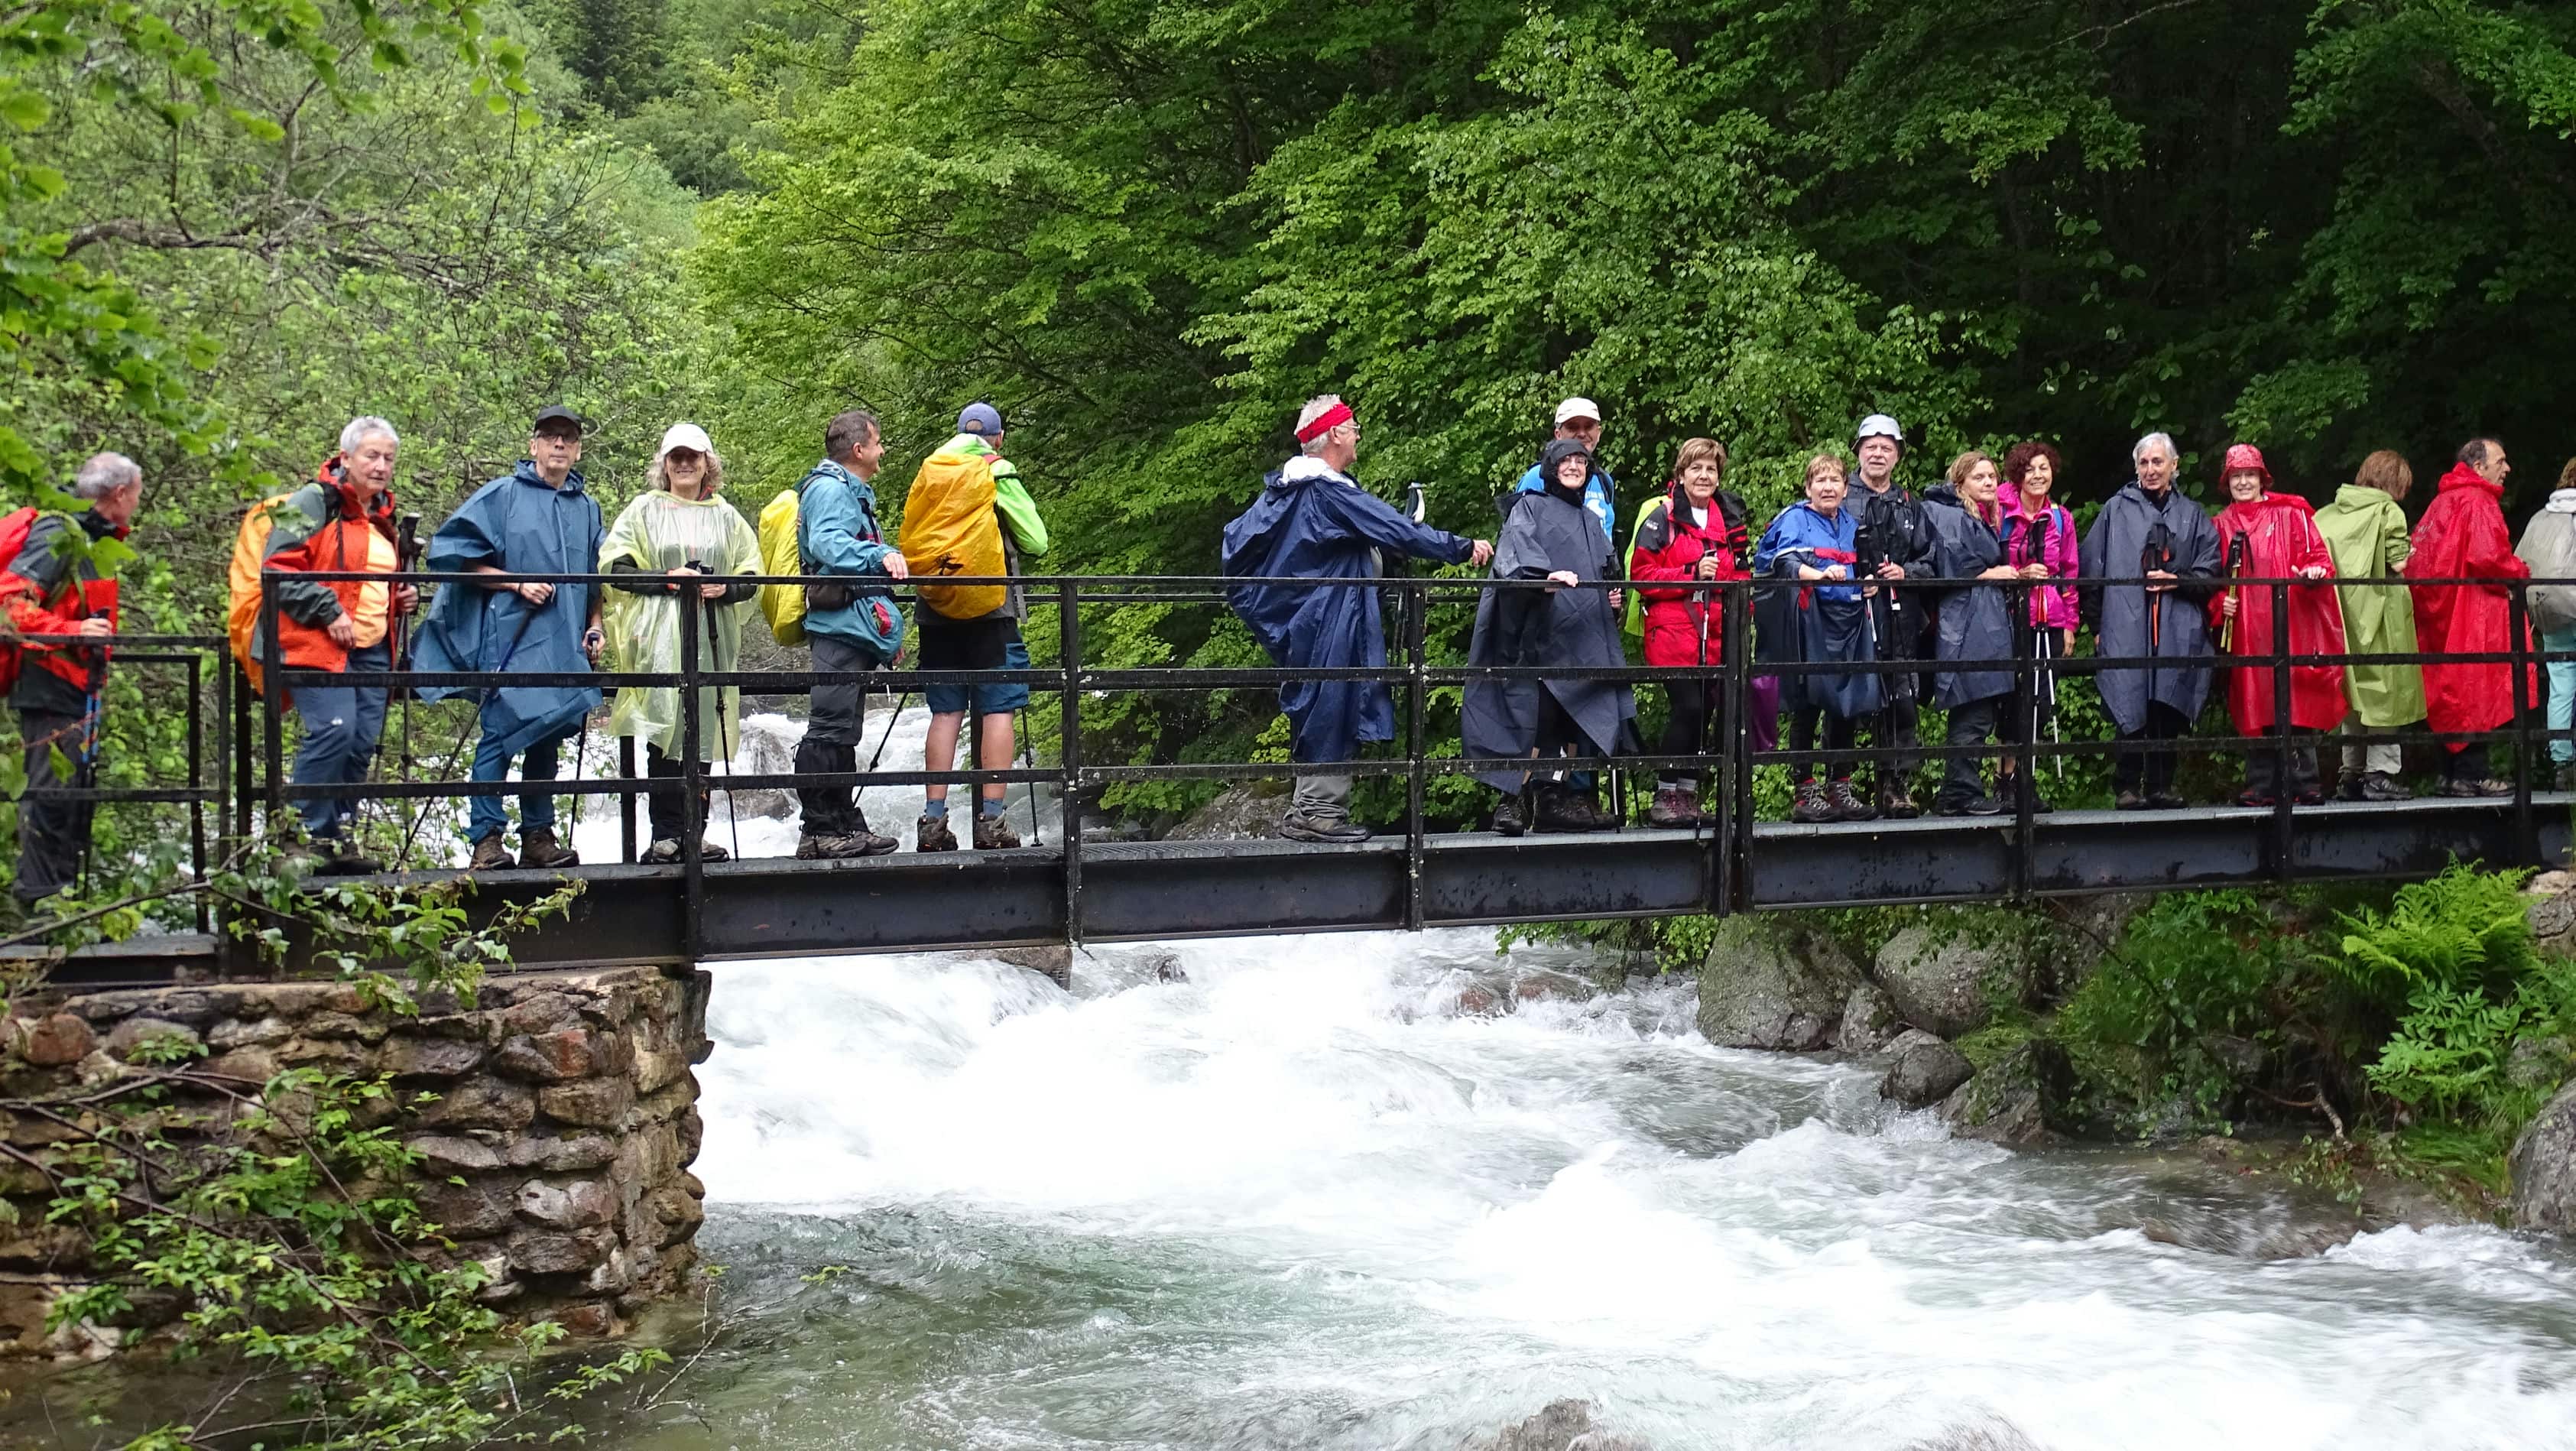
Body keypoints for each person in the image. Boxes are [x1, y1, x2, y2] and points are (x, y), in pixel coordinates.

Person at [1225, 394, 1491, 842]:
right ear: (1333, 436)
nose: (1357, 434)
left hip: (1305, 616)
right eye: (1352, 427)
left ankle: (1311, 808)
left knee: (1320, 701)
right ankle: (1317, 812)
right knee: (1333, 701)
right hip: (1330, 614)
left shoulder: (1286, 493)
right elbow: (1395, 526)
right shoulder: (1326, 491)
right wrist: (1460, 547)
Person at [412, 405, 605, 871]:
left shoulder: (587, 508)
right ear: (533, 444)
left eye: (568, 438)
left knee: (546, 737)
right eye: (550, 436)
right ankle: (486, 839)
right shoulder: (502, 496)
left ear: (578, 449)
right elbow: (454, 557)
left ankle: (538, 836)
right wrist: (516, 582)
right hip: (512, 640)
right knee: (499, 734)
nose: (559, 444)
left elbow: (595, 579)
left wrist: (595, 626)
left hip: (564, 647)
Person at [254, 417, 417, 873]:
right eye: (371, 456)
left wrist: (403, 594)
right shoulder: (315, 501)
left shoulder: (381, 515)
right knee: (334, 729)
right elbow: (279, 568)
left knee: (362, 741)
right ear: (345, 459)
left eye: (388, 458)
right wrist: (328, 608)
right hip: (314, 643)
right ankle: (300, 839)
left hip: (371, 646)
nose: (381, 465)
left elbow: (375, 581)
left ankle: (336, 841)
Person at [600, 424, 761, 863]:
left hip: (710, 635)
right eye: (677, 457)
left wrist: (723, 588)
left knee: (703, 728)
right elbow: (616, 567)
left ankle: (696, 832)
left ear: (709, 462)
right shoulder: (643, 510)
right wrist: (666, 581)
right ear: (665, 464)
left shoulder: (727, 516)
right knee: (665, 728)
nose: (685, 463)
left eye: (694, 456)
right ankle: (666, 835)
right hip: (658, 637)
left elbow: (752, 574)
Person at [1465, 437, 1634, 833]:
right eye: (1567, 460)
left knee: (1571, 717)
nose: (1575, 466)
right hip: (1537, 636)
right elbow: (1515, 557)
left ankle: (1553, 797)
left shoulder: (1593, 521)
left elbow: (1608, 571)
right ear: (1552, 466)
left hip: (1582, 636)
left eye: (1582, 460)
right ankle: (1513, 801)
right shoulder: (1530, 506)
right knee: (1534, 715)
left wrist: (1613, 596)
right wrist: (1544, 577)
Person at [3, 453, 140, 912]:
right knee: (51, 796)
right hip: (48, 681)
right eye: (136, 495)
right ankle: (38, 906)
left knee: (73, 800)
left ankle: (60, 905)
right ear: (120, 494)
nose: (137, 505)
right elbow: (10, 605)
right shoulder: (59, 532)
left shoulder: (92, 538)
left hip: (78, 685)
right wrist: (72, 632)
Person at [911, 403, 1048, 852]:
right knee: (998, 710)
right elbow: (1036, 540)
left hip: (936, 608)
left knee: (945, 712)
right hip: (992, 612)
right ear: (999, 437)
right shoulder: (996, 470)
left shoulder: (932, 470)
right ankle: (991, 822)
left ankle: (932, 822)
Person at [2080, 431, 2221, 810]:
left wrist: (2177, 581)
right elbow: (2090, 571)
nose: (2151, 470)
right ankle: (2127, 787)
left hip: (2176, 626)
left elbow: (2210, 573)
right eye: (2144, 463)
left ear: (2174, 466)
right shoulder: (2115, 509)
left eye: (2158, 462)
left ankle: (2161, 785)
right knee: (2130, 700)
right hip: (2126, 625)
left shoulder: (2192, 515)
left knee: (2167, 703)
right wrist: (2096, 628)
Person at [790, 410, 908, 858]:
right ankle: (820, 829)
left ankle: (839, 824)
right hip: (836, 627)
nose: (882, 452)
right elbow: (828, 545)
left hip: (851, 627)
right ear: (859, 449)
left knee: (842, 731)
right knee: (828, 728)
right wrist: (882, 556)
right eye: (878, 443)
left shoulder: (847, 491)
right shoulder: (830, 490)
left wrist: (885, 637)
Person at [2208, 444, 2346, 807]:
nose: (2243, 482)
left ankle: (2305, 780)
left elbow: (2319, 559)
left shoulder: (2292, 514)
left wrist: (2316, 572)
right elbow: (2211, 582)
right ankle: (2262, 782)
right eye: (2236, 476)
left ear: (2261, 478)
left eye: (2249, 475)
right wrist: (2218, 604)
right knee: (2254, 700)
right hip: (2247, 628)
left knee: (2295, 694)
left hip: (2291, 621)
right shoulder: (2220, 525)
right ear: (2228, 482)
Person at [1627, 437, 1748, 826]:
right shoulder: (1660, 518)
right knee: (1689, 707)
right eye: (1695, 468)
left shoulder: (1729, 518)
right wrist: (1690, 573)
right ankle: (1666, 794)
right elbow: (1642, 577)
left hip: (1717, 632)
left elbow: (1742, 574)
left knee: (1708, 712)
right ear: (1680, 475)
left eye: (1710, 469)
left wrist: (1744, 620)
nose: (1703, 475)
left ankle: (1689, 796)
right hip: (1673, 630)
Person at [1755, 454, 1881, 823]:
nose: (1828, 487)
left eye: (1834, 480)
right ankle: (1805, 791)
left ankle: (1839, 787)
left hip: (1850, 619)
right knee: (1806, 705)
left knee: (1847, 705)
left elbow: (1862, 565)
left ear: (1845, 487)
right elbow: (1784, 563)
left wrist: (1869, 582)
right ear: (1808, 487)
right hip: (1811, 618)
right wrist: (1820, 574)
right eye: (1820, 480)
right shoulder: (1794, 518)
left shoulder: (1851, 523)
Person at [2409, 437, 2532, 797]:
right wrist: (2519, 570)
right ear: (2479, 467)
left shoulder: (2441, 503)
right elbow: (2486, 558)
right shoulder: (2479, 502)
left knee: (2448, 692)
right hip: (2473, 612)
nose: (2507, 469)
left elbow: (2419, 559)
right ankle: (2473, 774)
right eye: (2501, 461)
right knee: (2476, 690)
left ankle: (2450, 775)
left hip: (2443, 613)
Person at [1919, 451, 2029, 816]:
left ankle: (1962, 791)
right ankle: (1958, 794)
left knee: (1980, 712)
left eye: (1992, 477)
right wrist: (1991, 574)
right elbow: (1951, 563)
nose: (1988, 482)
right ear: (1960, 482)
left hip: (1982, 622)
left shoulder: (1976, 517)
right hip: (1965, 625)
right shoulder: (1950, 515)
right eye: (1979, 476)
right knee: (1972, 710)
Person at [2315, 450, 2425, 801]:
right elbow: (2397, 563)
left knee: (2354, 696)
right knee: (2385, 694)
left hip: (2339, 618)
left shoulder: (2327, 513)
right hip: (2380, 614)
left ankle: (2350, 775)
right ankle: (2381, 773)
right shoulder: (2387, 511)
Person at [1848, 413, 1936, 817]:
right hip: (1850, 618)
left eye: (1887, 447)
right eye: (1871, 446)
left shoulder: (1909, 505)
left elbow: (1932, 559)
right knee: (1845, 701)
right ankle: (1839, 788)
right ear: (1859, 452)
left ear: (1898, 455)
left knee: (1902, 702)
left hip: (1900, 616)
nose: (1878, 453)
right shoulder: (1840, 496)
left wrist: (1906, 572)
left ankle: (1895, 787)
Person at [1998, 440, 2079, 807]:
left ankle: (2023, 781)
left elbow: (2070, 572)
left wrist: (2071, 624)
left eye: (2043, 468)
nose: (2037, 475)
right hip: (2008, 617)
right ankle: (2006, 781)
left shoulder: (2062, 517)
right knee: (2012, 700)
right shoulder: (2000, 510)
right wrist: (2019, 573)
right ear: (2018, 474)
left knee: (2040, 701)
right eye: (2030, 469)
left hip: (2050, 615)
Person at [2515, 456, 2576, 790]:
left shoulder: (2542, 518)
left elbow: (2521, 562)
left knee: (2561, 685)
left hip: (2551, 612)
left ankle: (2561, 761)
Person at [1513, 398, 1617, 550]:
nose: (1582, 434)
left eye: (1589, 426)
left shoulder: (1604, 480)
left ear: (1599, 433)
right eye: (1573, 427)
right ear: (1558, 434)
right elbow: (1516, 539)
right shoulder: (1538, 477)